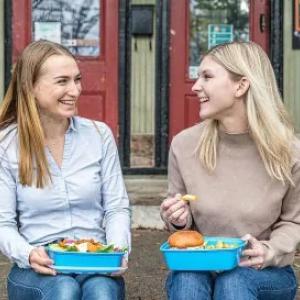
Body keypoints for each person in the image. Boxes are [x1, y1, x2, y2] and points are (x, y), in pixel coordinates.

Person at [160, 41, 299, 300]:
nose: (195, 86)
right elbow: (181, 224)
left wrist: (270, 250)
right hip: (201, 264)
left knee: (234, 281)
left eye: (207, 77)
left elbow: (294, 221)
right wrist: (178, 218)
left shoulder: (289, 151)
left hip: (265, 271)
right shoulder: (184, 145)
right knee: (187, 280)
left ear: (241, 85)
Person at [0, 40, 131, 300]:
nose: (75, 90)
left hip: (94, 260)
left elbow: (116, 207)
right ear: (31, 87)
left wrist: (117, 251)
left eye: (77, 80)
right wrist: (28, 254)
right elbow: (2, 223)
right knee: (64, 291)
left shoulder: (98, 135)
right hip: (38, 266)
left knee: (101, 292)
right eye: (62, 81)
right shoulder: (6, 145)